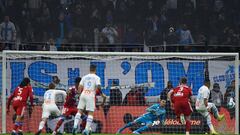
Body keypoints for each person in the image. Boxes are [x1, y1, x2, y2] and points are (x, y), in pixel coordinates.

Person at [72, 65, 106, 135]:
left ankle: (75, 126)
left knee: (79, 111)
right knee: (90, 113)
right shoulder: (97, 77)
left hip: (83, 94)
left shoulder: (84, 77)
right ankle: (86, 130)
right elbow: (98, 86)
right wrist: (102, 94)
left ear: (89, 69)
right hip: (90, 95)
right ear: (95, 70)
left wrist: (79, 93)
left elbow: (80, 87)